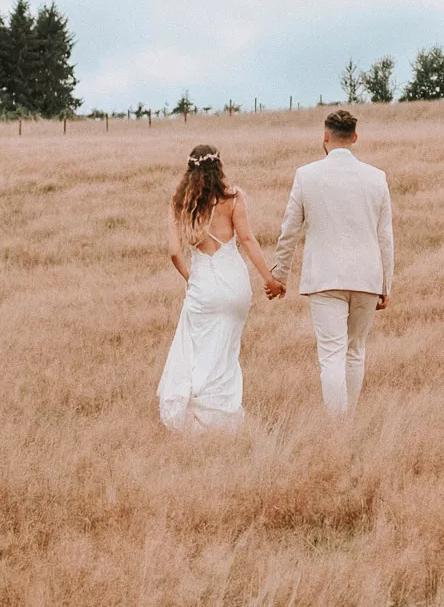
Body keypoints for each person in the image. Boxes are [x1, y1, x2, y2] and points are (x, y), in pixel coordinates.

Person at [269, 109, 393, 416]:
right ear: (354, 137)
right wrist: (386, 284)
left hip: (325, 278)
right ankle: (347, 420)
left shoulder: (306, 175)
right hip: (366, 277)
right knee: (355, 352)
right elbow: (385, 236)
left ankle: (338, 427)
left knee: (331, 356)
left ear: (325, 136)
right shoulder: (377, 178)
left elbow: (290, 230)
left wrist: (279, 273)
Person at [157, 144, 285, 433]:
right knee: (227, 350)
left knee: (199, 350)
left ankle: (201, 415)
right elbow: (248, 240)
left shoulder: (179, 202)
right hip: (235, 285)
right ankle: (224, 413)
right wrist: (270, 279)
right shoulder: (233, 198)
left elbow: (175, 252)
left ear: (190, 170)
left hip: (204, 285)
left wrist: (191, 278)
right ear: (219, 167)